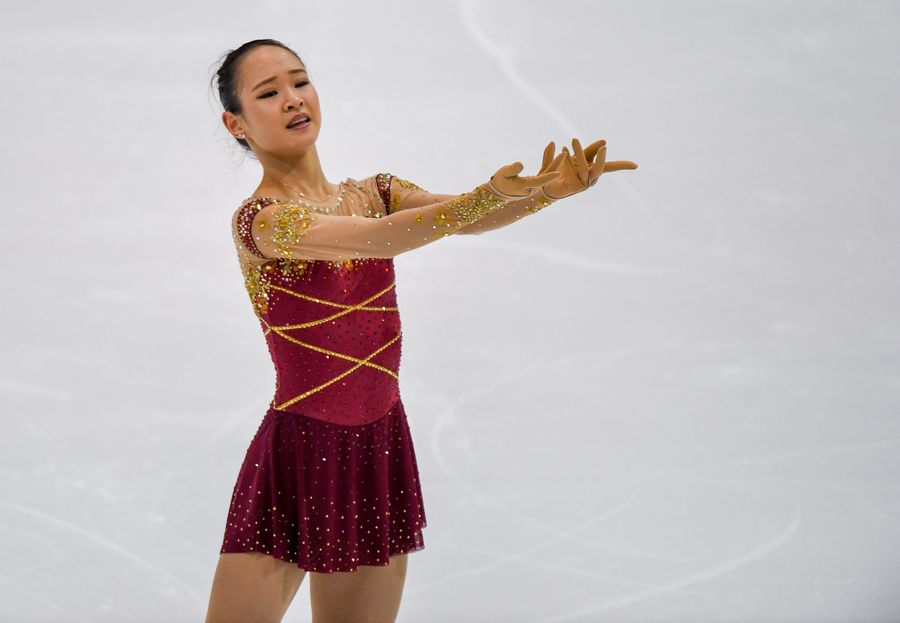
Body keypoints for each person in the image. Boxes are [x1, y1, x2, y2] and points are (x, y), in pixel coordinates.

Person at [205, 38, 637, 623]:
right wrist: (478, 200)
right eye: (268, 93)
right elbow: (383, 238)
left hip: (378, 446)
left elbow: (469, 216)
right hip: (300, 454)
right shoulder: (263, 222)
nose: (292, 99)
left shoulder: (374, 193)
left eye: (300, 81)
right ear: (236, 123)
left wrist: (549, 191)